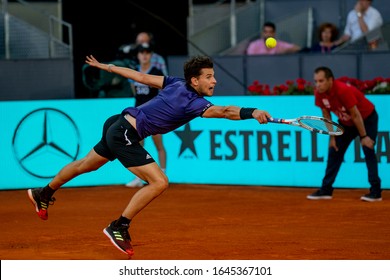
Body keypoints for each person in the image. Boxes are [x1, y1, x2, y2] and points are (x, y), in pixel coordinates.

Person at [27, 55, 272, 257]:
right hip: (125, 132)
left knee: (85, 165)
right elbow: (226, 111)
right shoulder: (194, 103)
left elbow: (140, 77)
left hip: (117, 122)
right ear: (195, 80)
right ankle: (119, 226)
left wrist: (108, 66)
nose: (214, 81)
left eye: (213, 76)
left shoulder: (175, 82)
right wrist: (253, 112)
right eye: (209, 77)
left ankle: (44, 192)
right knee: (159, 182)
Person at [307, 66, 382, 202]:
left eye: (321, 81)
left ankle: (376, 192)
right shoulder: (319, 93)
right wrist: (332, 137)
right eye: (316, 81)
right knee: (334, 150)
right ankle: (326, 190)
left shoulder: (343, 90)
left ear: (330, 80)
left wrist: (364, 137)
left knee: (368, 149)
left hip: (366, 119)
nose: (318, 84)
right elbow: (326, 114)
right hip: (346, 124)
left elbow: (355, 114)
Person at [125, 42, 167, 187]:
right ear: (138, 55)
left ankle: (163, 175)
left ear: (151, 55)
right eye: (142, 52)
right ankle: (139, 178)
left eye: (147, 52)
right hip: (137, 114)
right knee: (138, 146)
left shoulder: (156, 71)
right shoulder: (134, 71)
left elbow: (162, 93)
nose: (144, 55)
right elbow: (134, 91)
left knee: (158, 145)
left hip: (154, 115)